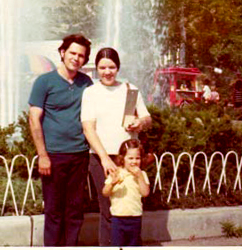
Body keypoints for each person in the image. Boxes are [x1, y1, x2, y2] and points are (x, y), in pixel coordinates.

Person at [81, 47, 151, 246]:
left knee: (129, 205)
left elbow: (147, 118)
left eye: (111, 67)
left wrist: (140, 123)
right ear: (96, 69)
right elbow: (88, 128)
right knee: (109, 209)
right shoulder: (91, 93)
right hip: (100, 157)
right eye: (102, 67)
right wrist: (104, 159)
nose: (107, 72)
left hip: (127, 157)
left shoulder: (130, 89)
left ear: (118, 67)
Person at [28, 34, 93, 246]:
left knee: (74, 211)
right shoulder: (44, 81)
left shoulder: (86, 82)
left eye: (81, 55)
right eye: (72, 53)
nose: (76, 58)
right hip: (53, 156)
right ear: (63, 53)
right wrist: (42, 155)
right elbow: (34, 119)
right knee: (54, 211)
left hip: (79, 155)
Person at [102, 139, 150, 246]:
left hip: (135, 217)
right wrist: (112, 183)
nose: (134, 161)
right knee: (117, 244)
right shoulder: (116, 172)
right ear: (122, 158)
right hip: (118, 218)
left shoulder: (142, 174)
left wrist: (140, 177)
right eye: (130, 158)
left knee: (133, 244)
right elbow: (105, 192)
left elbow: (145, 193)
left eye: (137, 158)